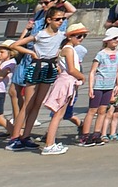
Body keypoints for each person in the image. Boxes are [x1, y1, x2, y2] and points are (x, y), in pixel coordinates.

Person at [6, 2, 72, 149]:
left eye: (62, 19)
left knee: (37, 104)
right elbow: (15, 45)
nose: (60, 21)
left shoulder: (62, 35)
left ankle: (26, 136)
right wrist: (30, 52)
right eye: (57, 19)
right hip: (36, 67)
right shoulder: (40, 35)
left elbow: (73, 35)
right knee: (28, 104)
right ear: (49, 20)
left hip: (49, 68)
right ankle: (15, 137)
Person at [37, 21, 90, 154]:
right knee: (58, 115)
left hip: (66, 82)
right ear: (70, 36)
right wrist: (82, 77)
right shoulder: (69, 49)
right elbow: (72, 69)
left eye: (83, 36)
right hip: (66, 82)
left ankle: (51, 142)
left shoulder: (66, 49)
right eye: (78, 36)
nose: (81, 38)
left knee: (58, 114)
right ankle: (49, 144)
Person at [84, 27, 118, 145]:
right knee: (92, 110)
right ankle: (86, 135)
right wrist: (91, 87)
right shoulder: (101, 54)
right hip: (98, 85)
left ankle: (97, 134)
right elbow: (92, 71)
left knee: (103, 110)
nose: (117, 40)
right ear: (107, 40)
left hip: (109, 86)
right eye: (114, 38)